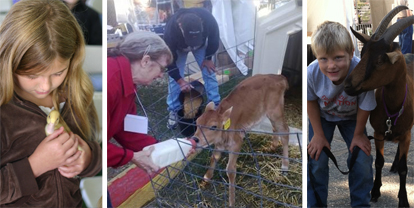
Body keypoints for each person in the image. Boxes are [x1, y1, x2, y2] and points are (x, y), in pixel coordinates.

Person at [0, 0, 102, 207]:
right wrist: (34, 166)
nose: (45, 86)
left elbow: (97, 149)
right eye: (31, 75)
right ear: (8, 60)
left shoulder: (76, 95)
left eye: (57, 72)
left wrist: (89, 158)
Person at [307, 21, 376, 207]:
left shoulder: (362, 72)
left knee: (362, 158)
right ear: (316, 57)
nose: (331, 66)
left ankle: (361, 203)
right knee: (316, 158)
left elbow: (366, 105)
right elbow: (310, 101)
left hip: (353, 118)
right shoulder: (311, 72)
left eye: (338, 58)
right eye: (323, 59)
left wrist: (359, 134)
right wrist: (318, 135)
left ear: (351, 52)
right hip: (322, 116)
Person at [107, 31, 173, 206]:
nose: (161, 75)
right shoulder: (109, 81)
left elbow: (125, 127)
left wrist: (161, 148)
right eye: (162, 68)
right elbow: (87, 142)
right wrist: (131, 156)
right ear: (145, 61)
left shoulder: (127, 82)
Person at [163, 7, 221, 129]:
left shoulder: (208, 19)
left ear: (201, 23)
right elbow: (169, 62)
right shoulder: (170, 31)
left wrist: (208, 57)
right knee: (175, 80)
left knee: (208, 71)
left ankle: (215, 104)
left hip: (201, 46)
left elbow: (214, 39)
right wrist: (180, 80)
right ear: (180, 26)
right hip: (179, 48)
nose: (192, 47)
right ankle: (174, 109)